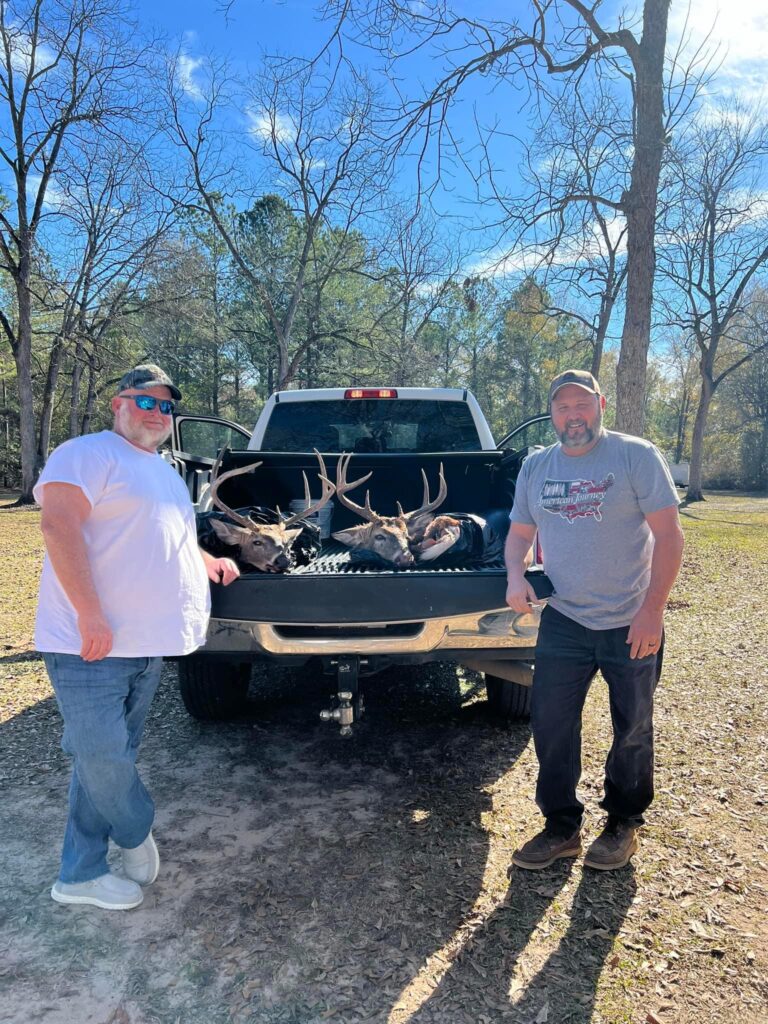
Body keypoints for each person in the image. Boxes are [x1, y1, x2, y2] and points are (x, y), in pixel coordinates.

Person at [35, 364, 240, 910]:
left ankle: (79, 874)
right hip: (92, 644)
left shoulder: (166, 473)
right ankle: (134, 829)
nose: (156, 413)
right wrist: (90, 614)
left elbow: (165, 536)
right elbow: (58, 525)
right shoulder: (86, 453)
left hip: (146, 648)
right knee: (102, 757)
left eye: (165, 407)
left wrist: (208, 559)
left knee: (101, 760)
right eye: (144, 402)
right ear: (117, 404)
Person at [505, 369, 684, 871]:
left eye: (581, 405)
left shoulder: (635, 456)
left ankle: (623, 823)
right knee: (552, 725)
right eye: (562, 407)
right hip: (563, 619)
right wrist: (515, 577)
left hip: (631, 619)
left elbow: (669, 537)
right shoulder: (538, 466)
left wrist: (652, 612)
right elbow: (519, 534)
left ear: (600, 404)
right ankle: (561, 827)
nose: (573, 416)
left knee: (632, 727)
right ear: (553, 413)